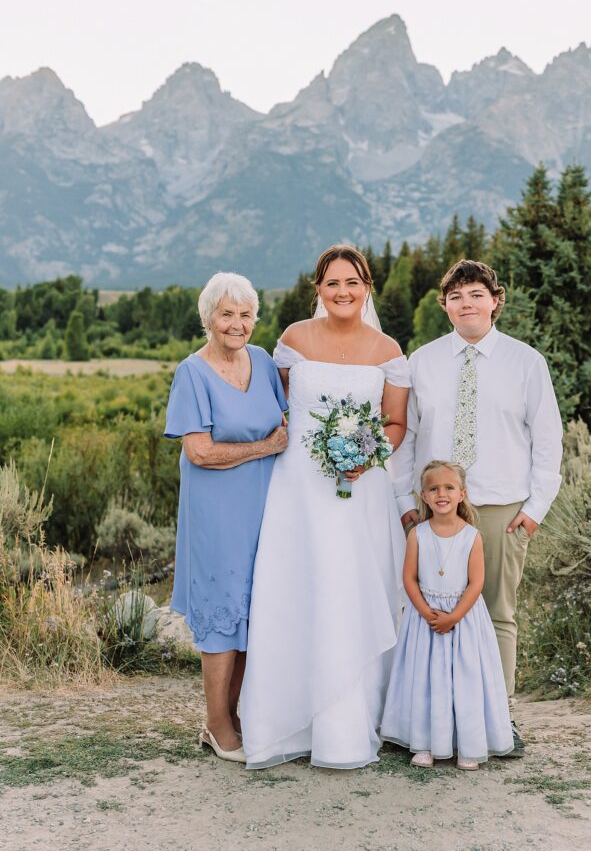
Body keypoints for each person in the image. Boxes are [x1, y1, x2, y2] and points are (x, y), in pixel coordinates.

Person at [240, 245, 410, 770]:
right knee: (297, 588)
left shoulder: (388, 349)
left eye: (352, 282)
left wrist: (363, 454)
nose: (343, 292)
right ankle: (288, 723)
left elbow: (394, 425)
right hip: (299, 488)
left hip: (361, 491)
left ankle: (350, 724)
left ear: (367, 288)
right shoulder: (292, 341)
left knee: (352, 588)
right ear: (318, 288)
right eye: (332, 282)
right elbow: (279, 407)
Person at [390, 260, 562, 755]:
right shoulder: (420, 362)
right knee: (427, 612)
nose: (466, 302)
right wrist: (407, 504)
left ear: (495, 300)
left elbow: (548, 440)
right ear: (443, 304)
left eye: (476, 294)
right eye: (456, 295)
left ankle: (497, 720)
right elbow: (407, 439)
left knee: (494, 615)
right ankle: (430, 722)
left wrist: (533, 512)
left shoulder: (526, 362)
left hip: (501, 507)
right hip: (433, 510)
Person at [164, 272, 288, 763]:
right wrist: (265, 447)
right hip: (216, 510)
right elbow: (200, 452)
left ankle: (235, 716)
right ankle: (217, 724)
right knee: (222, 611)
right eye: (226, 314)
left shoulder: (262, 361)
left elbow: (288, 420)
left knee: (253, 610)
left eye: (245, 315)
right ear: (209, 318)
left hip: (266, 505)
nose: (237, 324)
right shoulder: (191, 373)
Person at [381, 460, 513, 768]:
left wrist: (453, 617)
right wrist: (427, 613)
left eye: (449, 488)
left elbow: (477, 582)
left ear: (462, 494)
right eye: (433, 488)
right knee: (426, 679)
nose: (442, 493)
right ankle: (424, 742)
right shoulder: (418, 534)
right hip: (425, 619)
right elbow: (409, 578)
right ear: (424, 496)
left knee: (464, 680)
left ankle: (467, 745)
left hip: (463, 620)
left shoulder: (472, 536)